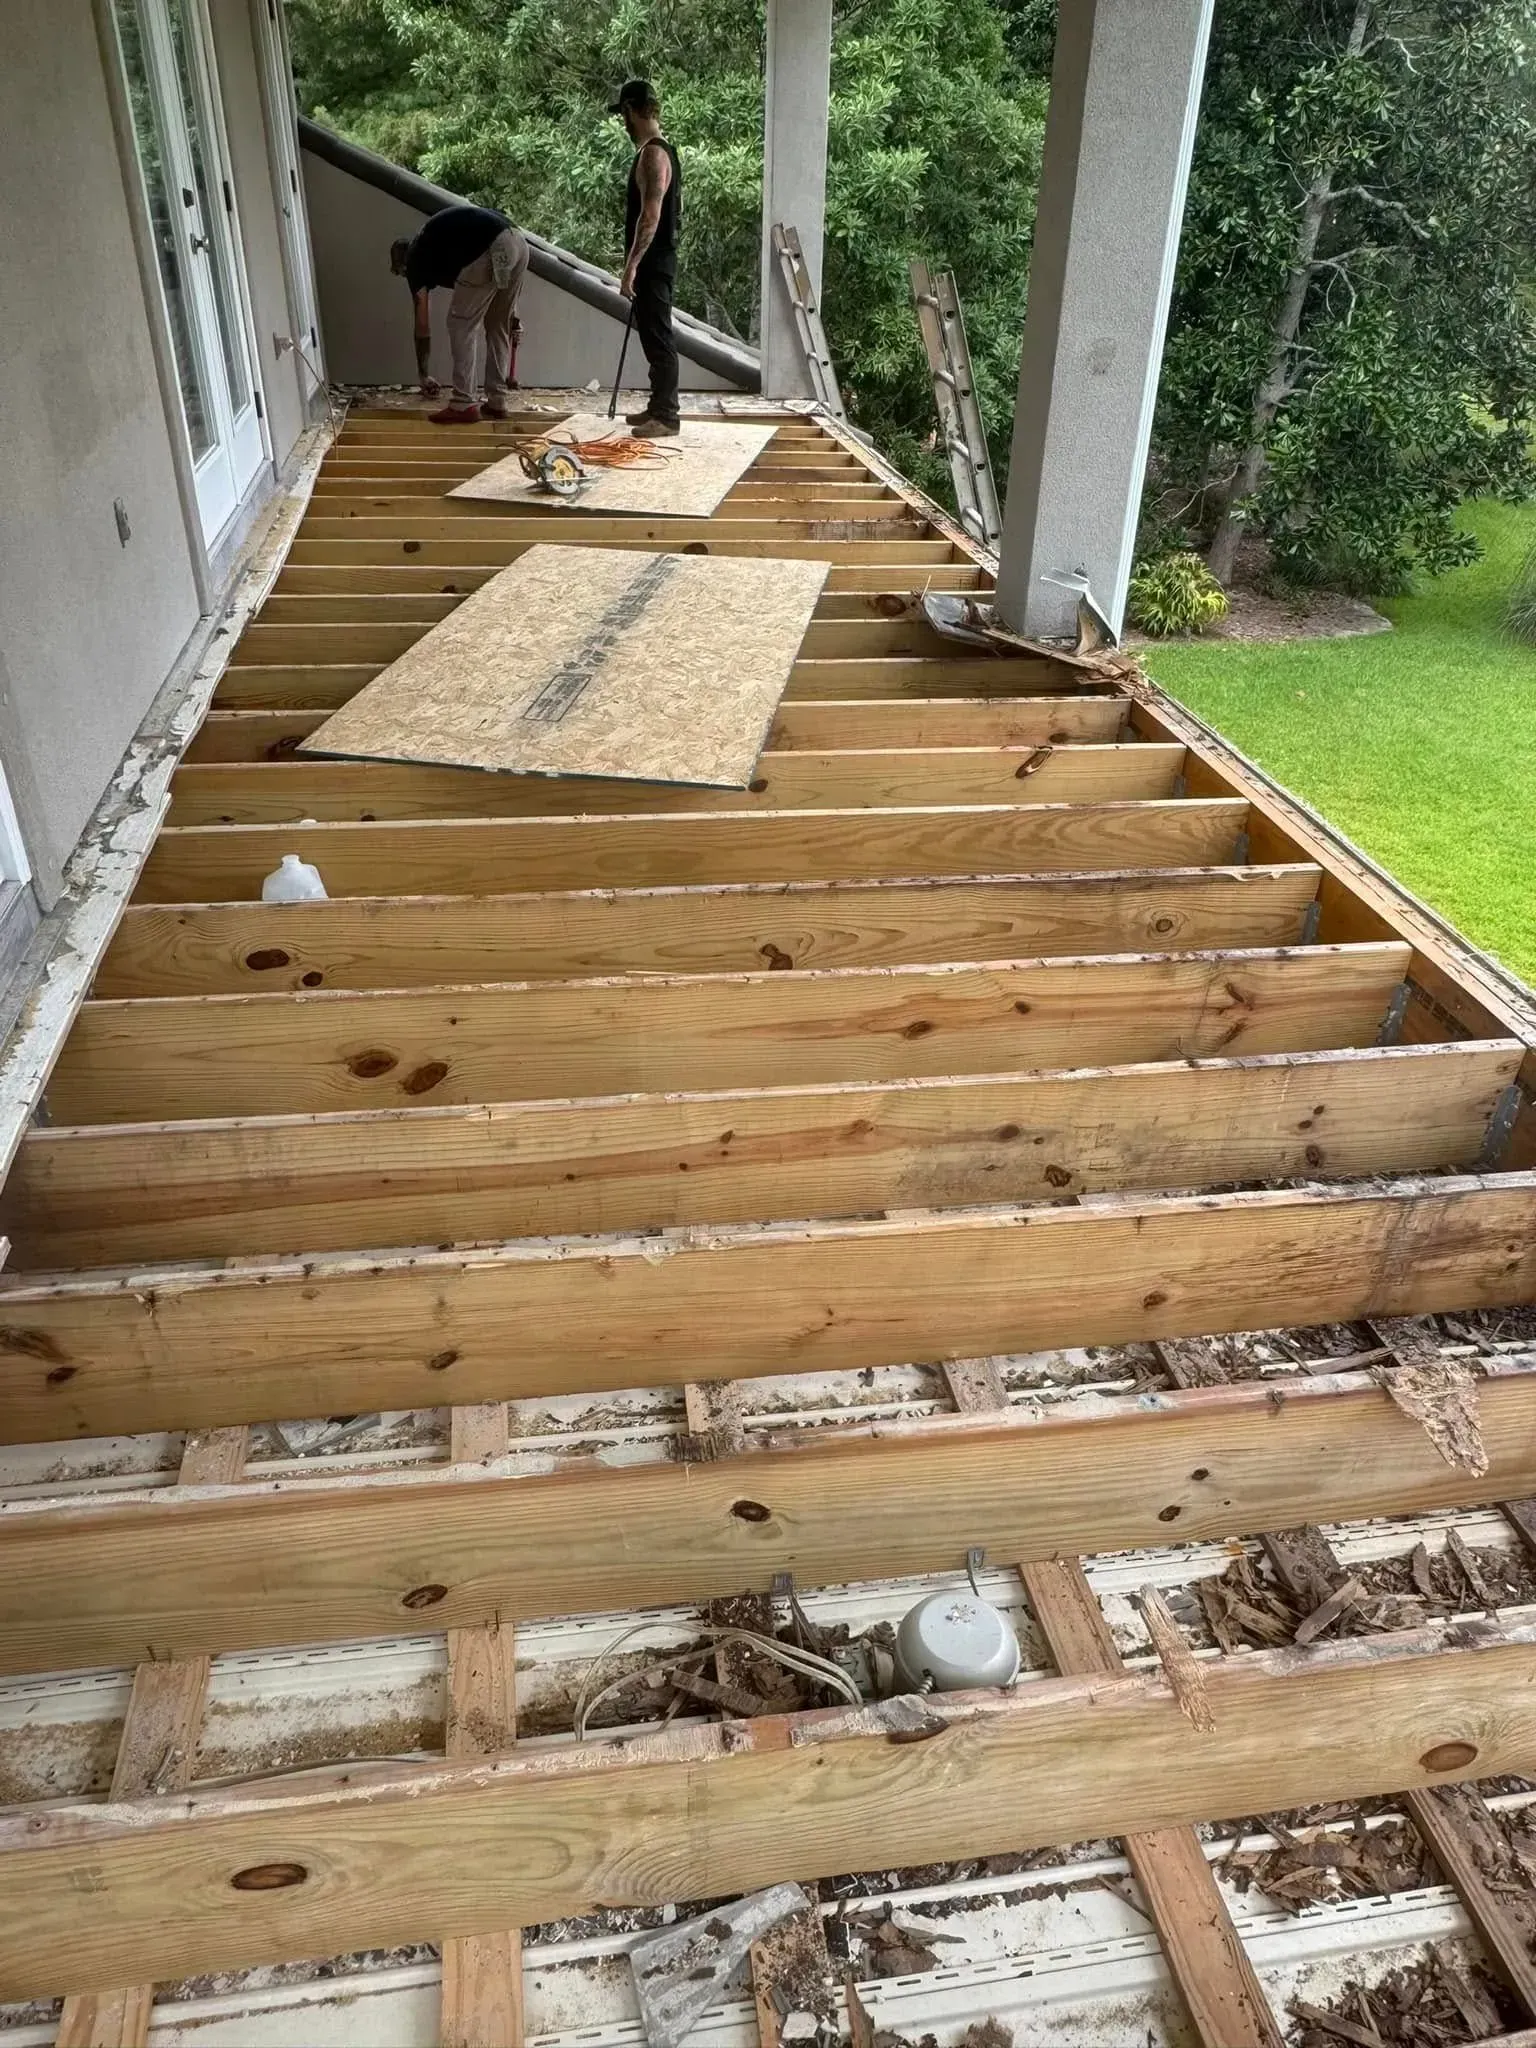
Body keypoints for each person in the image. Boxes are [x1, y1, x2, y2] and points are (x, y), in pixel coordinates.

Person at [390, 205, 528, 424]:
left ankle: (463, 403)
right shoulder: (435, 245)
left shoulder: (415, 260)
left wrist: (423, 374)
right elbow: (501, 292)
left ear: (403, 264)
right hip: (518, 242)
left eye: (400, 273)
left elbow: (422, 325)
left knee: (461, 325)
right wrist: (514, 318)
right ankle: (497, 401)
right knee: (498, 324)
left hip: (489, 246)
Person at [610, 79, 682, 438]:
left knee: (658, 336)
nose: (623, 123)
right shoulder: (659, 150)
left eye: (623, 114)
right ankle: (657, 407)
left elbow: (650, 216)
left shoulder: (653, 154)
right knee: (652, 335)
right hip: (655, 260)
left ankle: (667, 416)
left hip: (653, 262)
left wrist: (631, 267)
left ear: (630, 111)